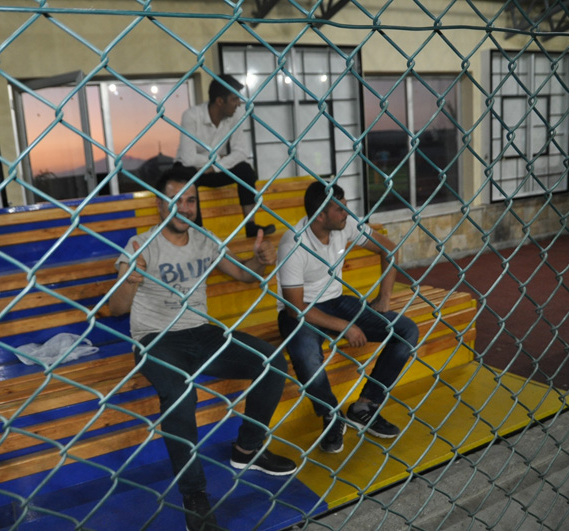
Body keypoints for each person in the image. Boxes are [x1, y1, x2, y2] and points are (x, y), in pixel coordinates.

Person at [109, 166, 296, 531]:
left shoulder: (204, 239)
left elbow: (243, 275)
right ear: (160, 205)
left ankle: (246, 449)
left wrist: (259, 261)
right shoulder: (139, 244)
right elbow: (116, 309)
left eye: (191, 200)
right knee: (181, 395)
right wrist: (131, 277)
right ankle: (194, 494)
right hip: (156, 339)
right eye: (175, 200)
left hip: (201, 332)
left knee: (272, 361)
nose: (185, 207)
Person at [276, 181, 419, 454]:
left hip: (337, 302)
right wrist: (346, 326)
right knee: (307, 355)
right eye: (340, 208)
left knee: (406, 331)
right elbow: (295, 309)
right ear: (320, 215)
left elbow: (389, 248)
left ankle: (365, 406)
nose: (347, 213)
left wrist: (384, 298)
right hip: (300, 311)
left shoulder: (345, 224)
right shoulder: (292, 243)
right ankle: (331, 416)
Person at [175, 74, 275, 238]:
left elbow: (241, 152)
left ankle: (251, 226)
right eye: (234, 99)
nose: (239, 104)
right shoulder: (191, 116)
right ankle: (197, 234)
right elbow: (188, 158)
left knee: (245, 170)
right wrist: (217, 159)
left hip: (213, 169)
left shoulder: (235, 117)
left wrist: (215, 166)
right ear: (220, 101)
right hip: (190, 169)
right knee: (187, 177)